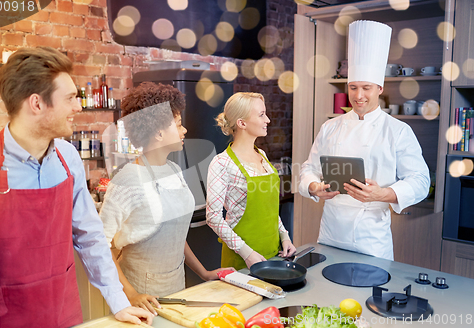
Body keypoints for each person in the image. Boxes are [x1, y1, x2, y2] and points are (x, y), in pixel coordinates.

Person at [0, 47, 153, 327]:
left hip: (64, 313)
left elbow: (90, 236)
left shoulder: (67, 157)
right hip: (0, 319)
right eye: (70, 98)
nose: (78, 107)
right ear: (36, 104)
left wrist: (119, 302)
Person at [299, 20, 430, 260]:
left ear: (380, 88)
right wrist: (314, 187)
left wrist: (382, 194)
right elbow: (309, 168)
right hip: (330, 235)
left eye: (366, 88)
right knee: (328, 297)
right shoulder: (330, 127)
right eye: (353, 87)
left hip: (372, 241)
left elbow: (421, 181)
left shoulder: (397, 130)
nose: (359, 96)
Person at [99, 82, 233, 311]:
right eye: (179, 125)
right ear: (159, 133)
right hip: (141, 296)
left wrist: (203, 273)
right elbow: (100, 247)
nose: (185, 131)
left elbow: (175, 233)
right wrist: (131, 294)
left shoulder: (174, 170)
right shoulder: (128, 180)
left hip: (176, 288)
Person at [206, 92, 296, 270]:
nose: (268, 120)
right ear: (242, 123)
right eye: (261, 115)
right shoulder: (222, 163)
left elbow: (269, 208)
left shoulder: (262, 155)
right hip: (242, 259)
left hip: (274, 253)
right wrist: (247, 253)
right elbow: (213, 217)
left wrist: (284, 236)